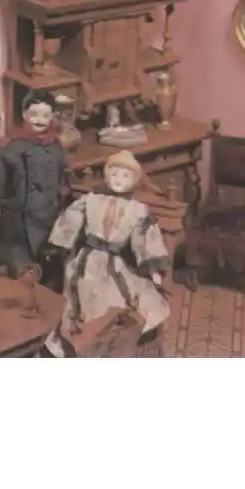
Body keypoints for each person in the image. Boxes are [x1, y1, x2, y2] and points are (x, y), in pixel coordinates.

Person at [43, 150, 170, 357]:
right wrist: (61, 245)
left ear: (134, 180)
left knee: (123, 292)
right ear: (106, 175)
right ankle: (80, 336)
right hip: (88, 259)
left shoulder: (138, 210)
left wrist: (153, 269)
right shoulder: (90, 200)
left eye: (126, 175)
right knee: (82, 286)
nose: (119, 179)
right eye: (114, 174)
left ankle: (112, 335)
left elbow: (145, 239)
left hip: (116, 262)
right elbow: (71, 220)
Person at [0, 91, 66, 275]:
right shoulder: (12, 149)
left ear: (52, 117)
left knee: (48, 267)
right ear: (25, 115)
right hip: (16, 224)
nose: (40, 120)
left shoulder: (56, 147)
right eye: (34, 114)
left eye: (45, 115)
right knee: (17, 269)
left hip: (47, 220)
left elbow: (63, 175)